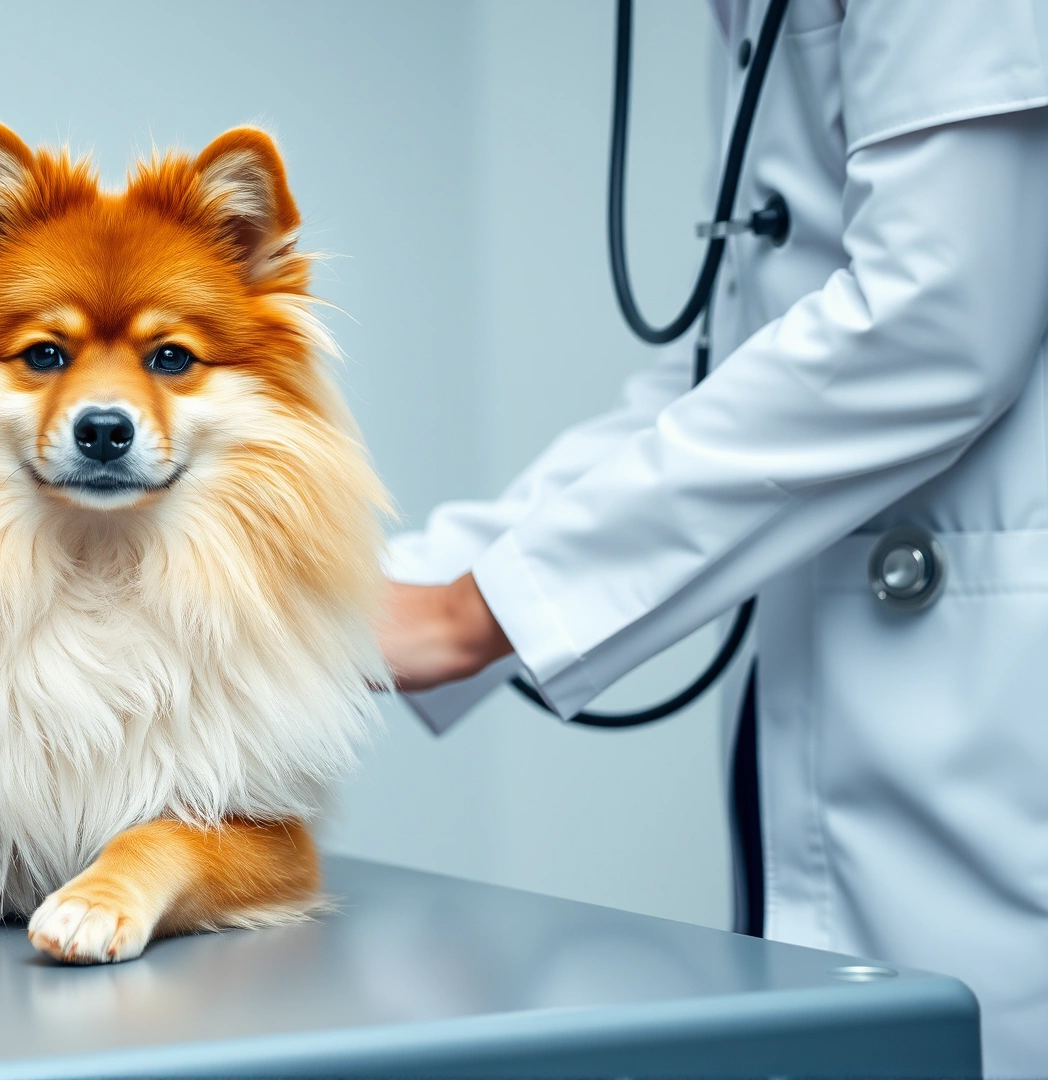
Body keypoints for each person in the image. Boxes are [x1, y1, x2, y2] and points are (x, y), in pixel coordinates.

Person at [374, 2, 1048, 1075]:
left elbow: (938, 317)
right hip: (834, 708)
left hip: (991, 723)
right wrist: (383, 592)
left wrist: (472, 615)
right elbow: (734, 370)